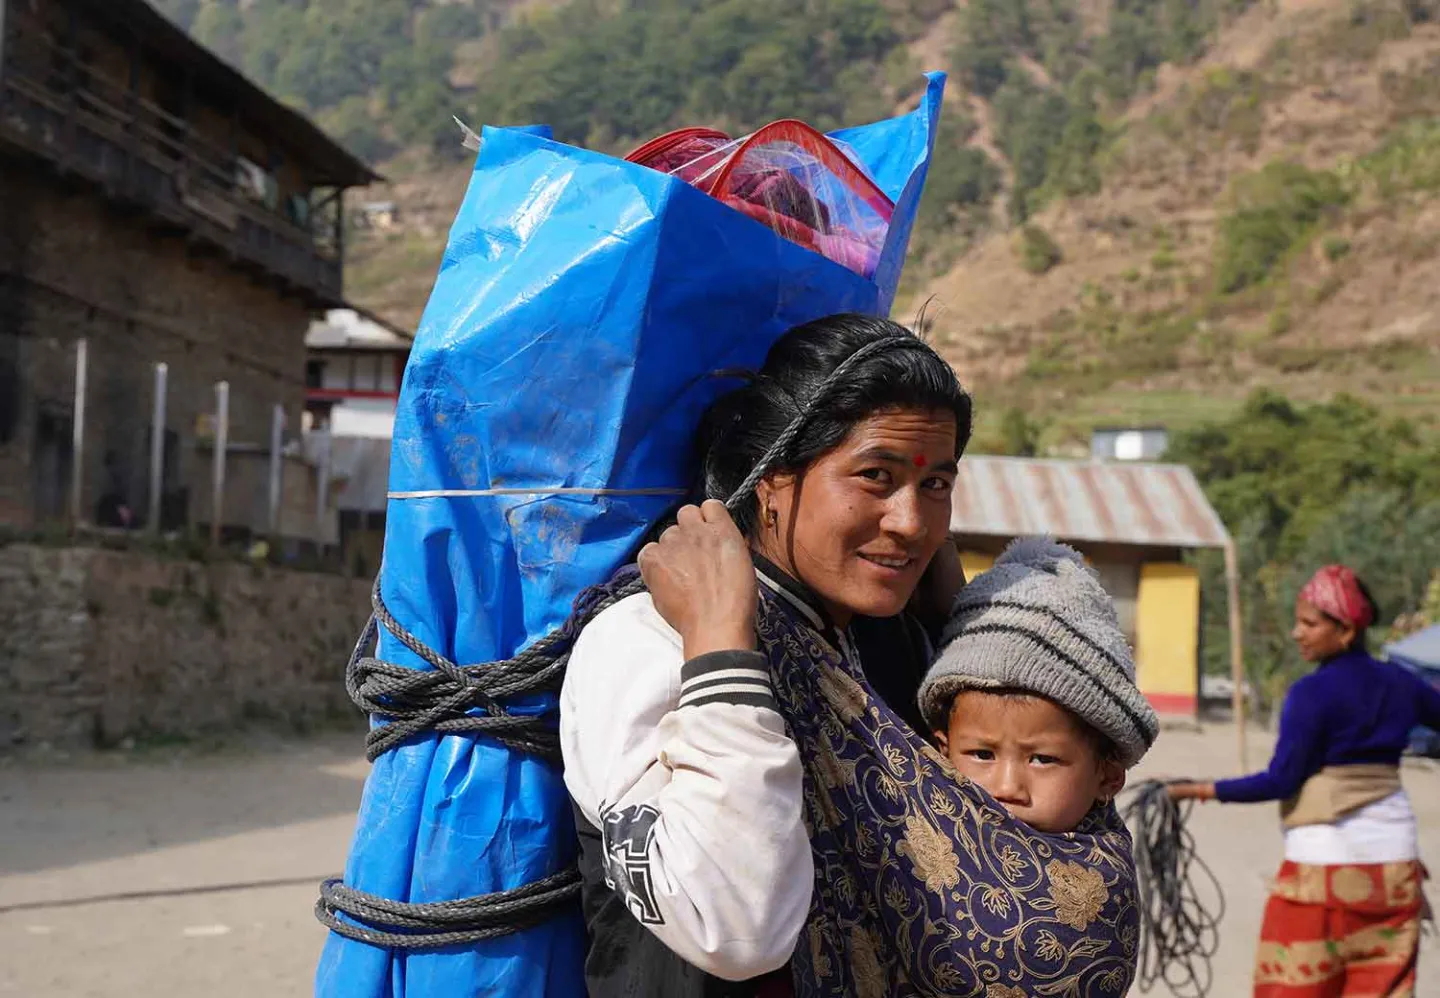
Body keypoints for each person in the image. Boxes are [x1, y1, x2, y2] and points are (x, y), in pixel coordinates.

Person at [560, 313, 1142, 998]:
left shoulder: (887, 641)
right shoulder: (653, 640)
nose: (912, 523)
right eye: (875, 476)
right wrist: (721, 651)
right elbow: (737, 928)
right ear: (773, 481)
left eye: (935, 486)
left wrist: (954, 626)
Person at [1170, 564, 1440, 997]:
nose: (1298, 634)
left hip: (1321, 873)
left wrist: (1197, 790)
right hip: (1395, 874)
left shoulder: (1311, 694)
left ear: (1347, 630)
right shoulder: (1402, 683)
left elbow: (1281, 780)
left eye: (1310, 624)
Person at [917, 537, 1159, 835]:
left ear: (1107, 778)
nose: (1007, 789)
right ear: (943, 754)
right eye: (982, 754)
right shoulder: (915, 846)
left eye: (1042, 759)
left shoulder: (1100, 873)